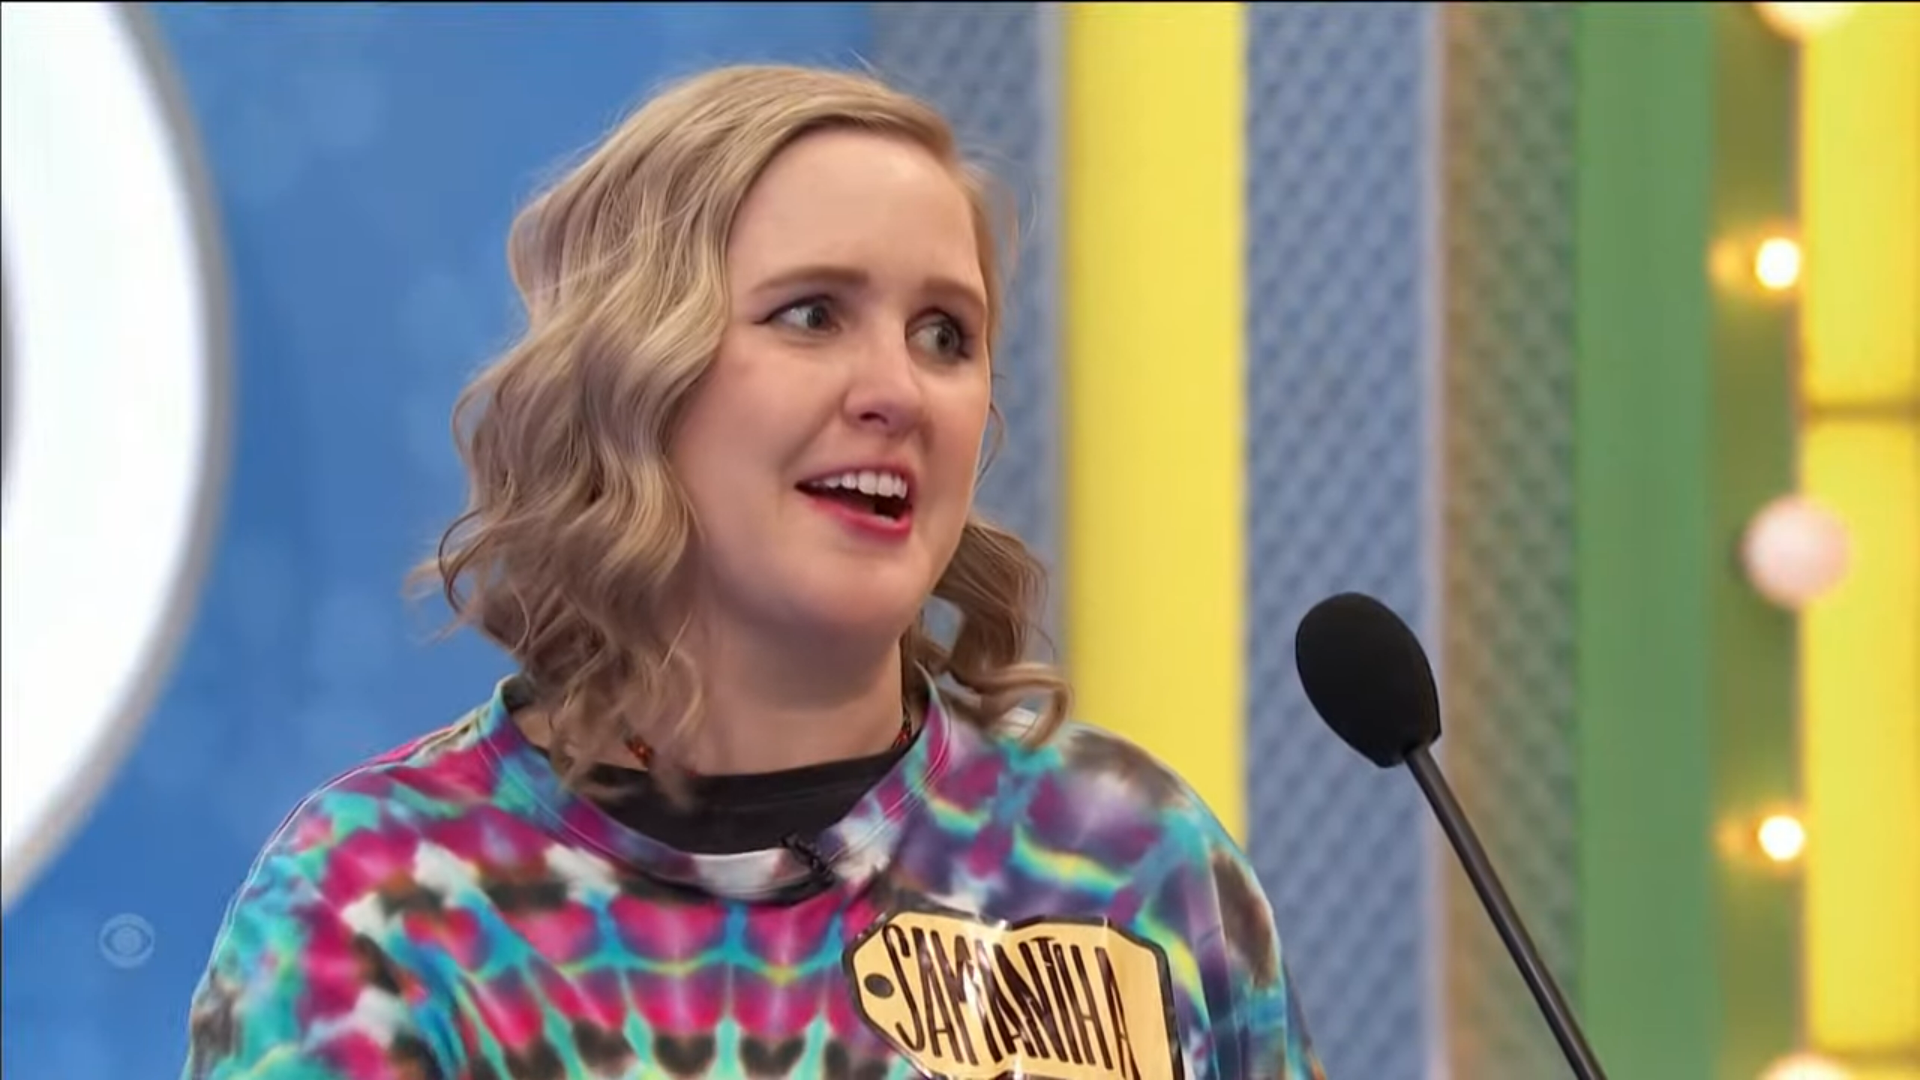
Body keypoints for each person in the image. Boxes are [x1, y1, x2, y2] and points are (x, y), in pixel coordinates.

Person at [181, 64, 1326, 1080]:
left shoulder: (1122, 857)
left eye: (946, 335)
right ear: (633, 378)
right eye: (813, 314)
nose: (896, 388)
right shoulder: (385, 904)